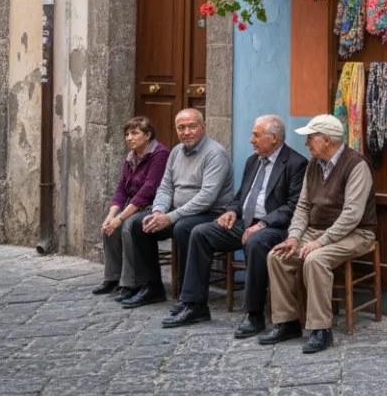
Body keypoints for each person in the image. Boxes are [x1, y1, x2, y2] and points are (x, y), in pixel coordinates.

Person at [161, 114, 307, 335]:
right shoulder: (253, 161)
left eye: (256, 135)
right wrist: (231, 211)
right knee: (200, 232)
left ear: (274, 138)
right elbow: (240, 196)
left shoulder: (296, 163)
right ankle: (195, 304)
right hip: (244, 222)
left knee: (256, 242)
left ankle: (254, 314)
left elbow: (292, 206)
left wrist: (263, 223)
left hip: (275, 228)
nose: (251, 140)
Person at [259, 114, 377, 354]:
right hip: (318, 230)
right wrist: (293, 237)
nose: (306, 144)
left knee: (315, 259)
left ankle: (321, 330)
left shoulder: (356, 165)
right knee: (277, 256)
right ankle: (288, 322)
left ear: (327, 140)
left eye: (310, 138)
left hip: (356, 232)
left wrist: (321, 242)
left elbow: (352, 215)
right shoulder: (314, 164)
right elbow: (303, 206)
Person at [120, 108, 234, 309]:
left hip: (210, 214)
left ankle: (186, 294)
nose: (186, 132)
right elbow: (165, 187)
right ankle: (151, 287)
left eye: (192, 126)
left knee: (184, 228)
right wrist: (158, 212)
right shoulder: (175, 152)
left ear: (204, 127)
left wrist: (170, 217)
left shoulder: (215, 154)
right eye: (181, 128)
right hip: (176, 212)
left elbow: (206, 198)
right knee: (138, 223)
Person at [94, 117, 169, 301]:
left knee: (128, 226)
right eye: (127, 134)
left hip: (156, 207)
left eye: (134, 133)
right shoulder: (131, 157)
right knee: (109, 228)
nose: (129, 138)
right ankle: (113, 278)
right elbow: (121, 189)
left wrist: (120, 218)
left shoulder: (160, 154)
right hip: (136, 207)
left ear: (148, 135)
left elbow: (148, 190)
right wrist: (111, 216)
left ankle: (131, 283)